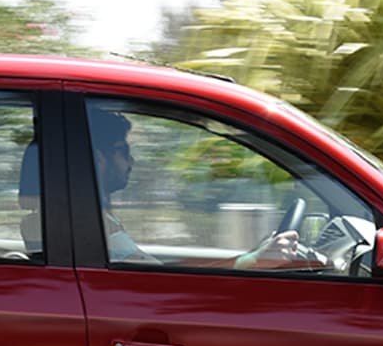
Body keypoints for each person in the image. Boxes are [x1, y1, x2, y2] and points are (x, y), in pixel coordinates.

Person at [89, 107, 320, 271]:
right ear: (99, 159)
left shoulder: (103, 223)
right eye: (123, 151)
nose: (131, 162)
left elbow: (162, 275)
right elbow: (166, 286)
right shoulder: (92, 227)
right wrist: (253, 260)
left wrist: (252, 257)